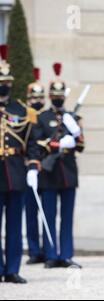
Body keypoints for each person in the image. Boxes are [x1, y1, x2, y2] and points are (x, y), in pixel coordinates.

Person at [29, 63, 84, 269]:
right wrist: (57, 144)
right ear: (50, 96)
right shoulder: (42, 117)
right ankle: (51, 254)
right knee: (49, 216)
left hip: (68, 172)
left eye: (61, 95)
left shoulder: (72, 117)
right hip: (49, 172)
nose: (58, 98)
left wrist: (75, 134)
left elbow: (81, 145)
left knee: (67, 217)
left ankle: (66, 254)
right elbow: (35, 143)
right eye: (55, 95)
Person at [0, 44, 40, 283]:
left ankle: (12, 269)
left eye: (6, 81)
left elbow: (32, 142)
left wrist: (33, 166)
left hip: (15, 174)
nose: (4, 85)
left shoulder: (22, 111)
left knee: (14, 227)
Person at [24, 67, 46, 265]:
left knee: (46, 211)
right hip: (29, 168)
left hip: (46, 170)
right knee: (30, 211)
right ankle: (33, 249)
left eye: (41, 96)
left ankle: (47, 249)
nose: (38, 100)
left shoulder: (48, 117)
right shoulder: (27, 116)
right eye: (35, 97)